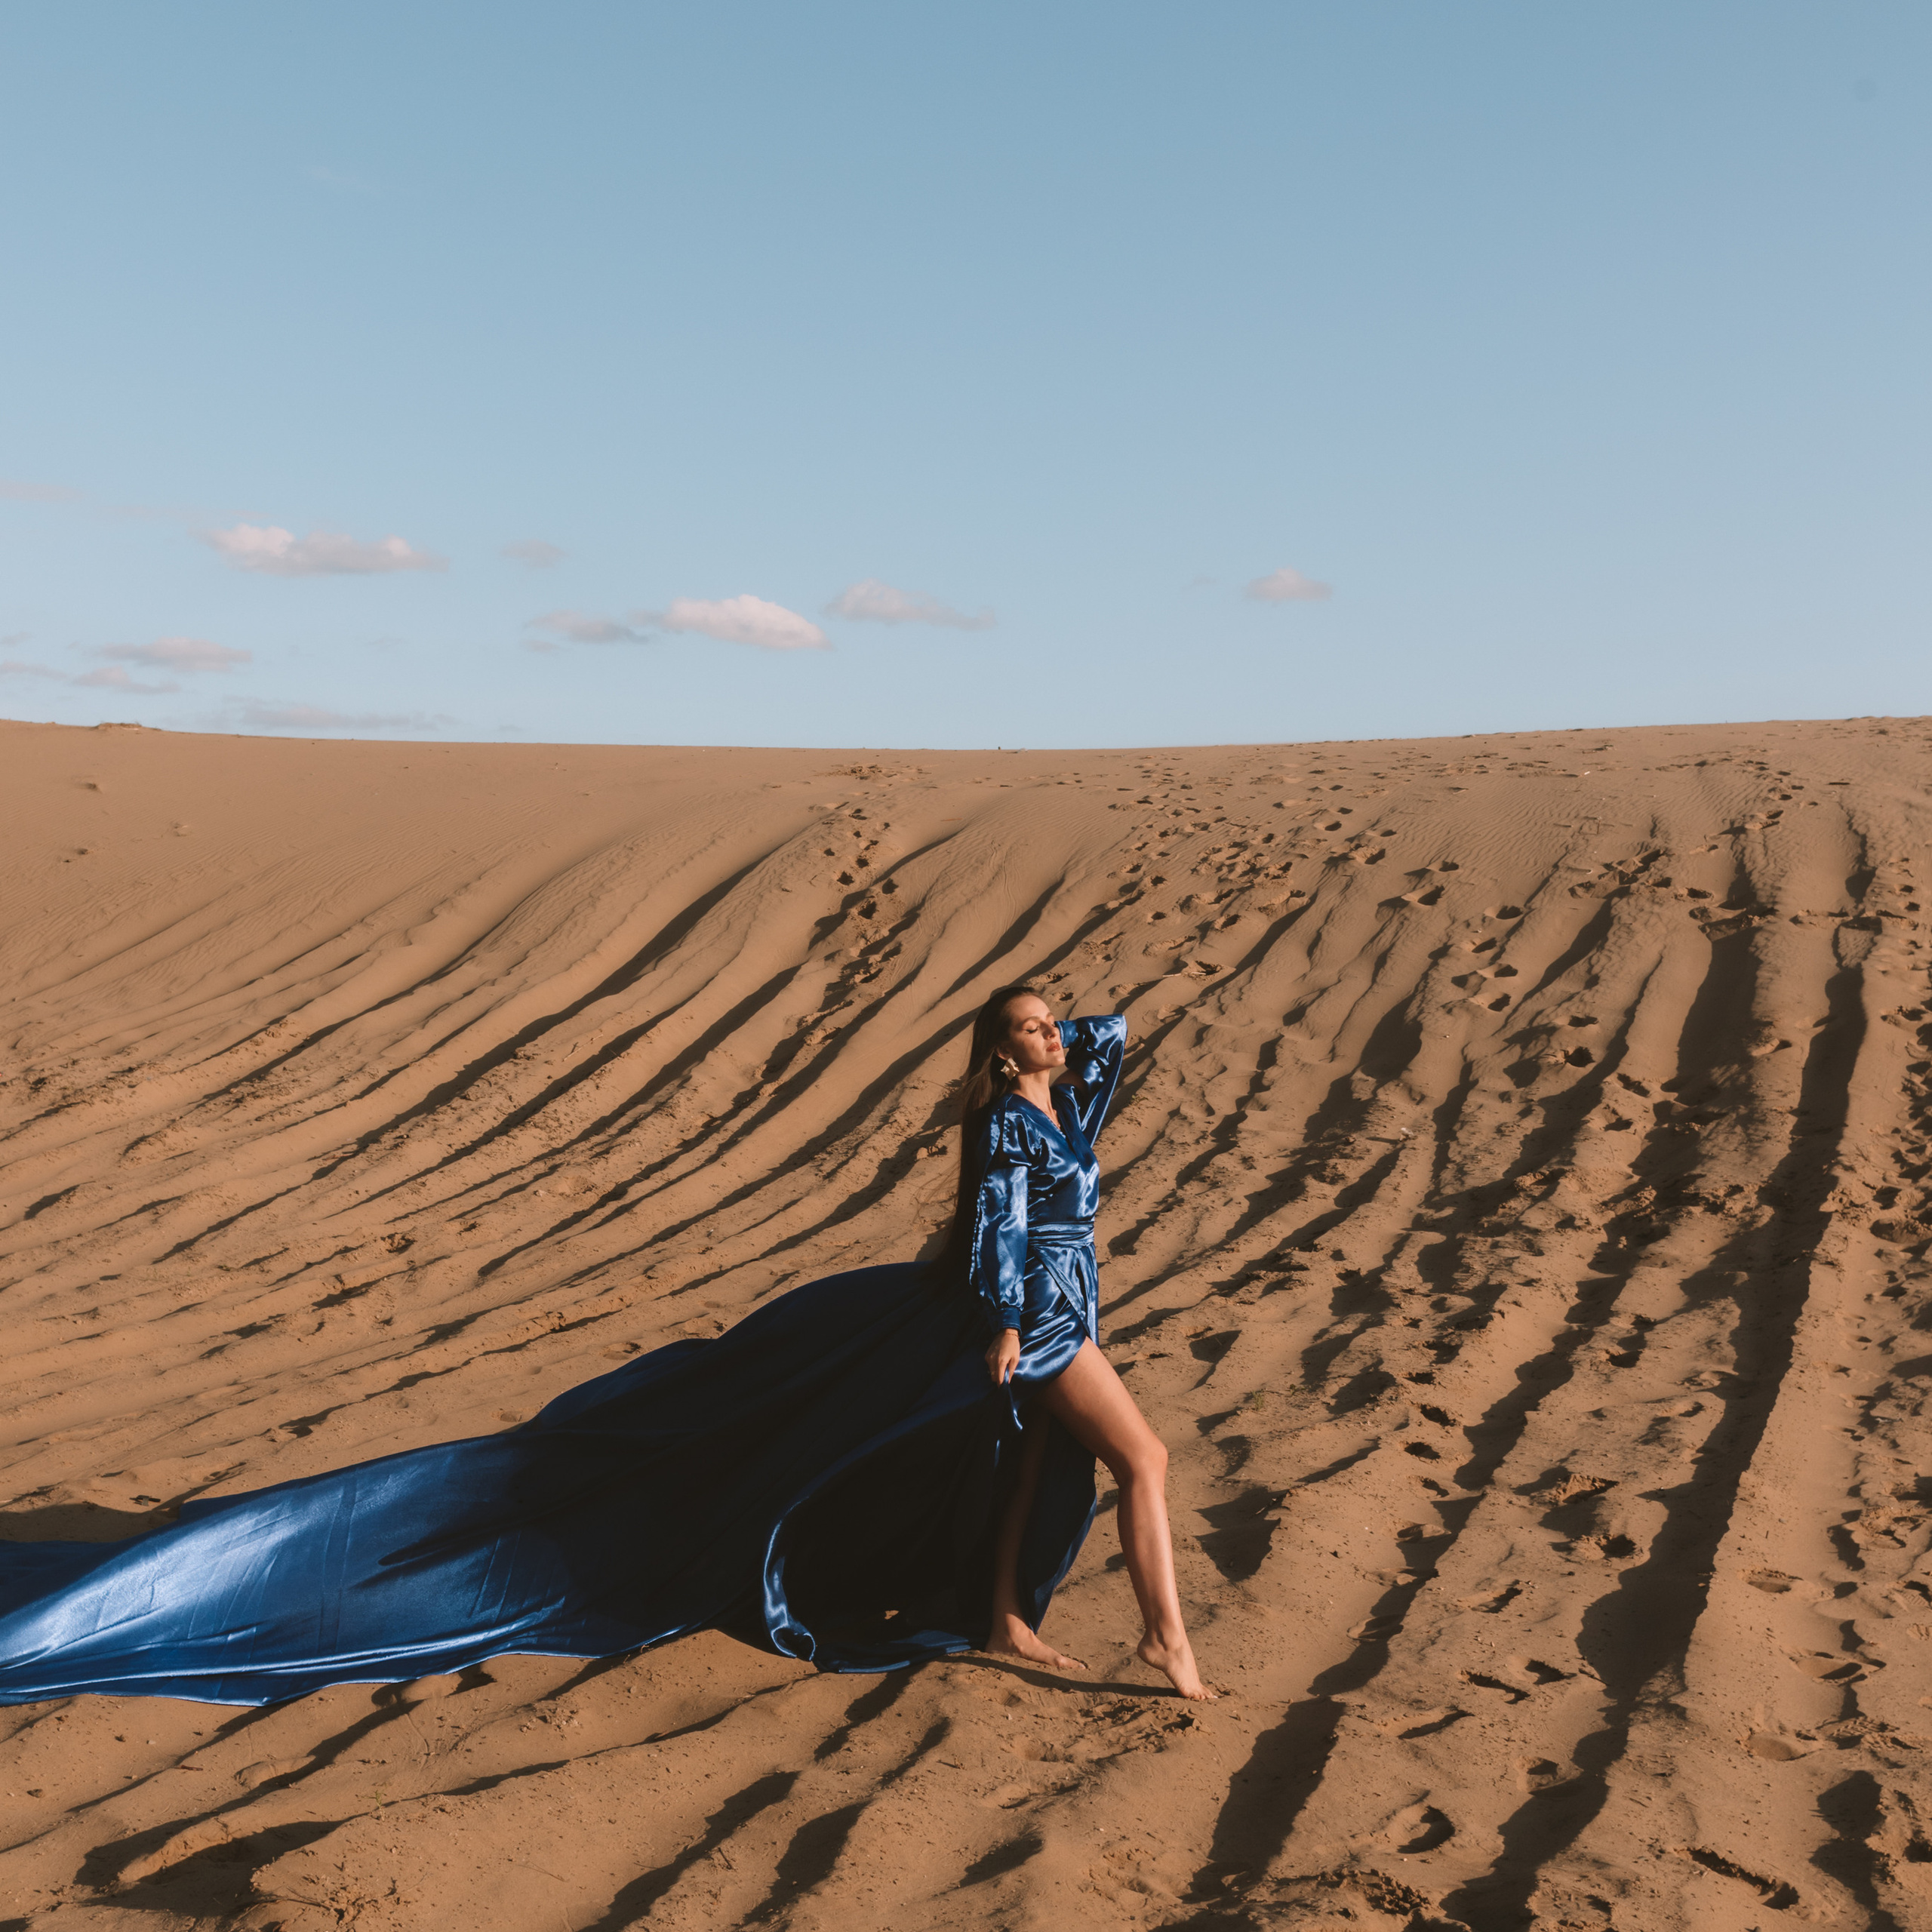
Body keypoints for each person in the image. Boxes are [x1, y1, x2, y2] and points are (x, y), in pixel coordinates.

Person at [0, 989, 1211, 1705]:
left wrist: (1051, 1028)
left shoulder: (1059, 1095)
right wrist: (1004, 1324)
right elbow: (1000, 1226)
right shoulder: (1006, 1116)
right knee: (1141, 1462)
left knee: (1020, 1470)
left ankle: (1000, 1618)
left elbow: (1109, 1043)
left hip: (1068, 1303)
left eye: (1051, 1023)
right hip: (1037, 1315)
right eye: (1030, 1027)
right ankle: (1165, 1637)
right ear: (1000, 1055)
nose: (1056, 1034)